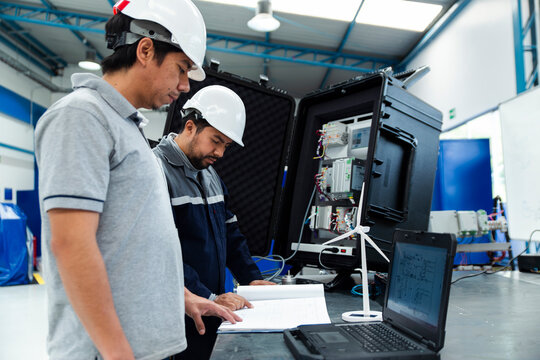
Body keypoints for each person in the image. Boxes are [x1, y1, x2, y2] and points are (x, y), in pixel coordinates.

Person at [34, 1, 240, 359]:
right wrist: (118, 354)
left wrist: (183, 296)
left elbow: (131, 248)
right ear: (146, 50)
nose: (183, 85)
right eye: (181, 69)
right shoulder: (82, 116)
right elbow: (71, 246)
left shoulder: (129, 130)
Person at [153, 85, 276, 360]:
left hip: (211, 308)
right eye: (215, 140)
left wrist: (251, 279)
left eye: (226, 146)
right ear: (189, 127)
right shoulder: (155, 170)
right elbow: (159, 251)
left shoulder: (209, 174)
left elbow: (230, 233)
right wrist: (205, 296)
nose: (220, 153)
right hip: (177, 312)